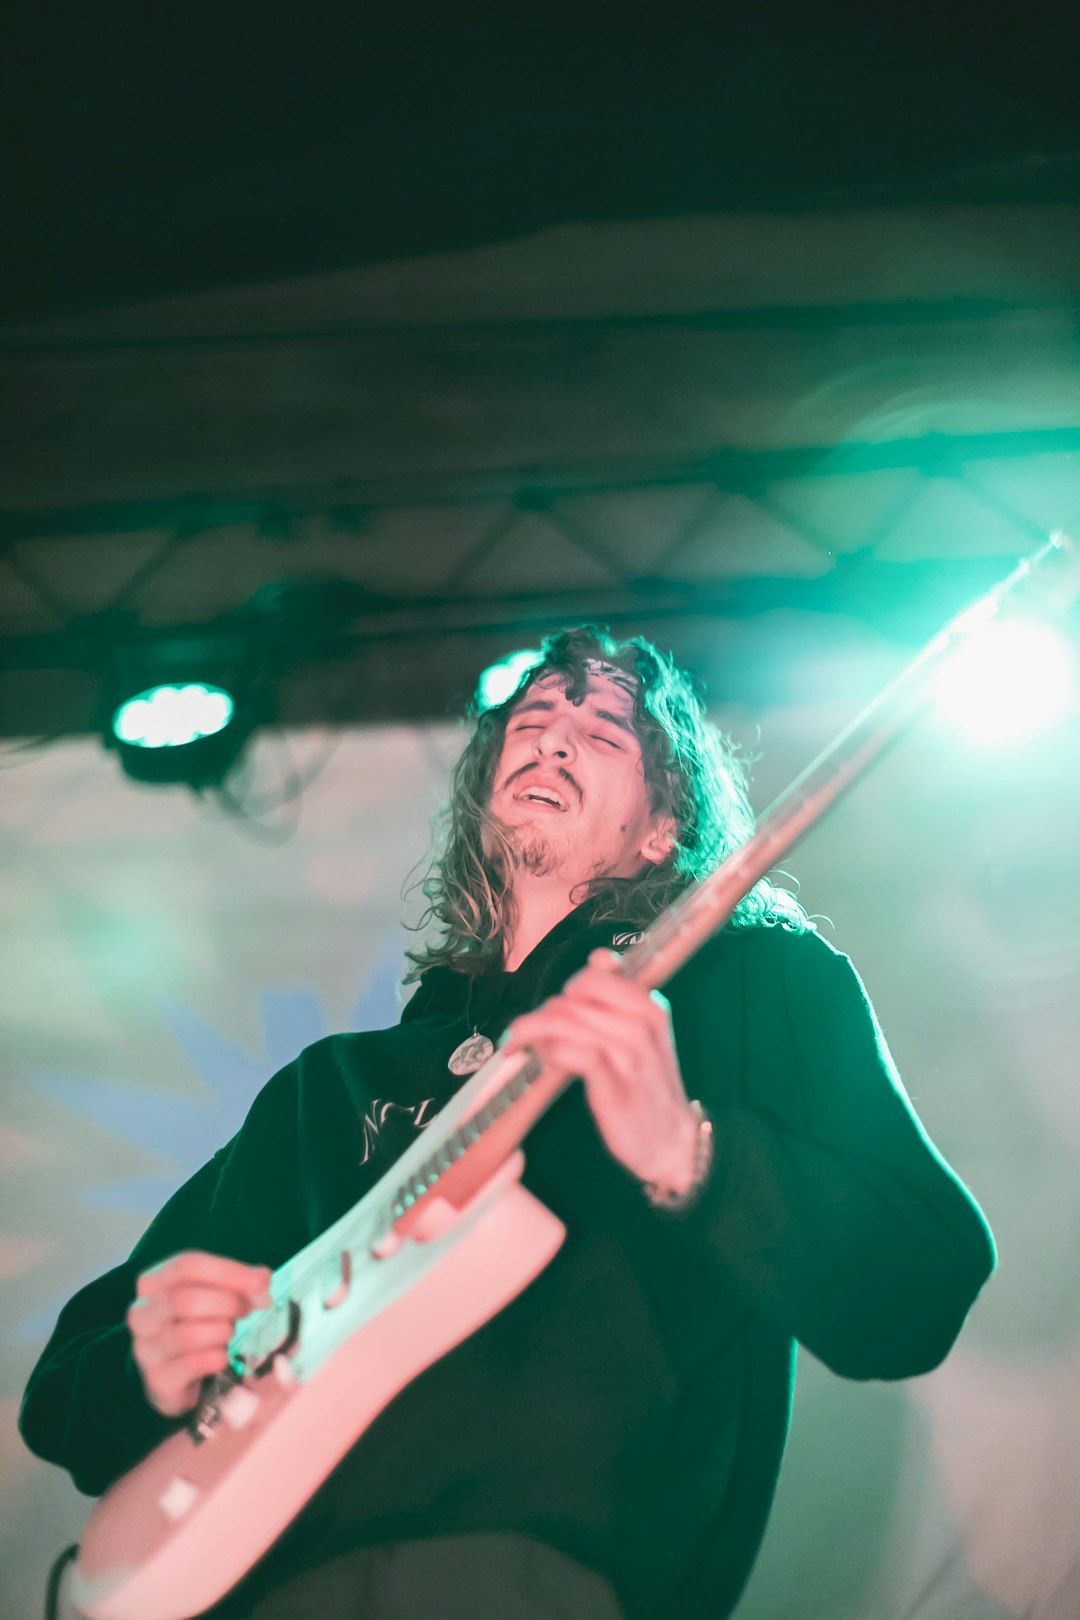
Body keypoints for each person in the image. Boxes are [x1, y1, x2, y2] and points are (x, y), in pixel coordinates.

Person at [20, 626, 997, 1620]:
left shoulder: (756, 990)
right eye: (533, 719)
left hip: (531, 1577)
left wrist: (691, 1154)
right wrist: (153, 1363)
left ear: (663, 829)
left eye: (607, 733)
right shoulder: (335, 1086)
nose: (556, 739)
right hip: (259, 1584)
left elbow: (917, 1288)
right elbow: (64, 1392)